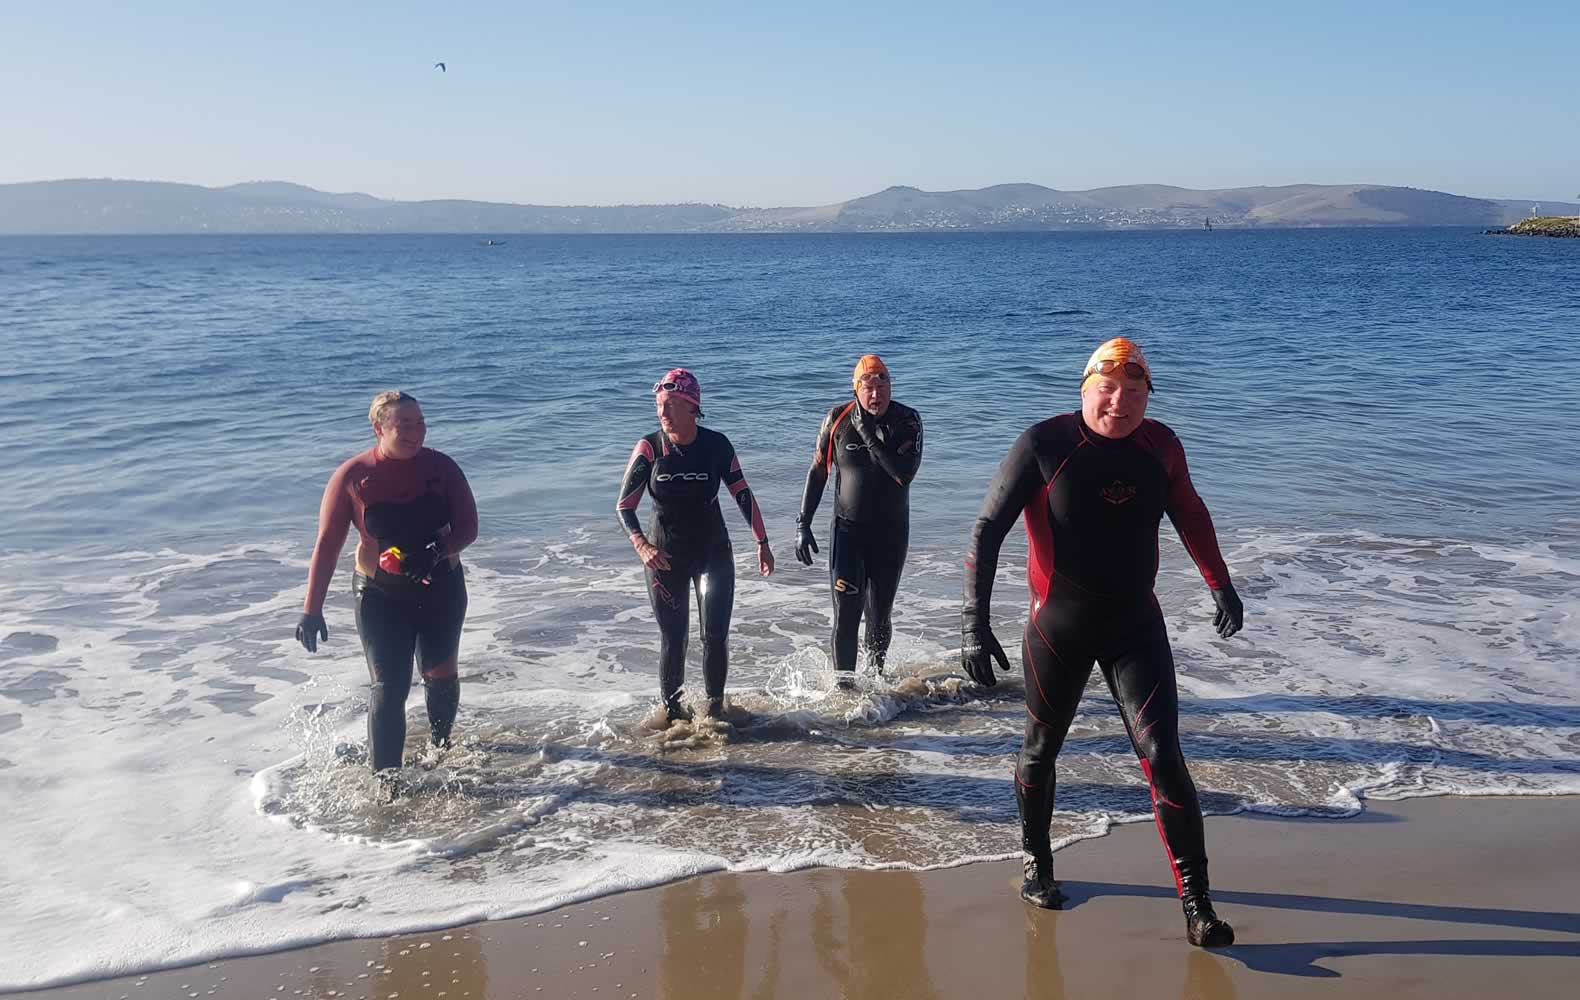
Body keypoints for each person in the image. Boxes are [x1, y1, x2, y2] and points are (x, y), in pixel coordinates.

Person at [960, 337, 1244, 948]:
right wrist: (973, 622)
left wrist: (1221, 584)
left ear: (1149, 397)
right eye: (1107, 390)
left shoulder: (1159, 446)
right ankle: (1038, 864)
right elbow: (987, 529)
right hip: (1057, 626)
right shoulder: (1044, 445)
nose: (1120, 403)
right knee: (1040, 749)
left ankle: (1198, 904)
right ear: (1084, 389)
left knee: (1163, 753)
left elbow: (1189, 512)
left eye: (1135, 392)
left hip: (1135, 625)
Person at [294, 390, 479, 775]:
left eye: (420, 422)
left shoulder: (442, 468)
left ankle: (440, 751)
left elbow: (468, 527)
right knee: (388, 687)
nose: (416, 431)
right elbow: (328, 544)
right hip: (380, 596)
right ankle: (386, 785)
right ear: (379, 427)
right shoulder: (353, 476)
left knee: (440, 675)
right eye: (404, 424)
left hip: (441, 586)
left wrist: (435, 552)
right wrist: (312, 609)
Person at [616, 368, 774, 723]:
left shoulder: (716, 445)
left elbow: (743, 494)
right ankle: (674, 717)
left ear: (692, 406)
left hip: (713, 554)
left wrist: (762, 541)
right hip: (664, 559)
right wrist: (641, 545)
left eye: (670, 405)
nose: (663, 413)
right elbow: (624, 506)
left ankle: (714, 713)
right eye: (659, 405)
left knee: (714, 636)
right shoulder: (650, 447)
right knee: (674, 640)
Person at [794, 354, 924, 686]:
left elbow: (903, 475)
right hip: (847, 532)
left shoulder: (907, 421)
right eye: (869, 388)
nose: (877, 396)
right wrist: (803, 523)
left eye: (883, 387)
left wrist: (867, 432)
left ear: (891, 387)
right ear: (856, 389)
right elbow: (817, 471)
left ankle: (876, 683)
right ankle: (844, 688)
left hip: (890, 533)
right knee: (847, 614)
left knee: (879, 616)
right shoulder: (836, 419)